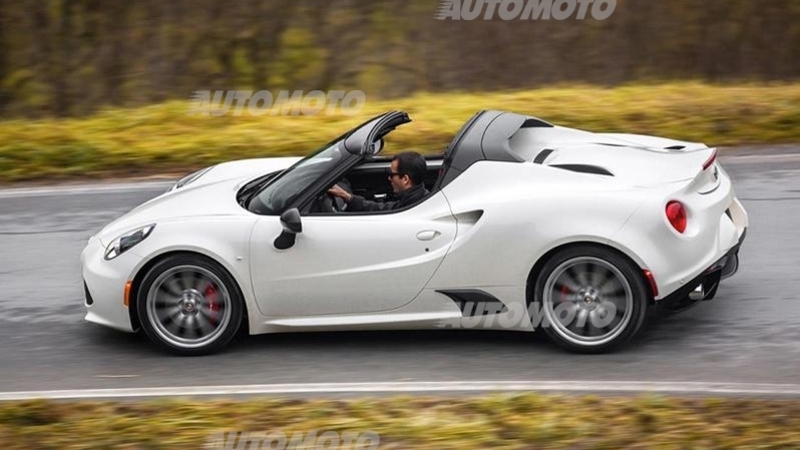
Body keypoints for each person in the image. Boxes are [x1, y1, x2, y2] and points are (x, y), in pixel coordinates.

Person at [328, 151, 429, 211]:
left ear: (405, 179)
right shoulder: (417, 197)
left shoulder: (411, 207)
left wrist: (349, 198)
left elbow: (382, 210)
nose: (389, 178)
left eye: (392, 174)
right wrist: (348, 197)